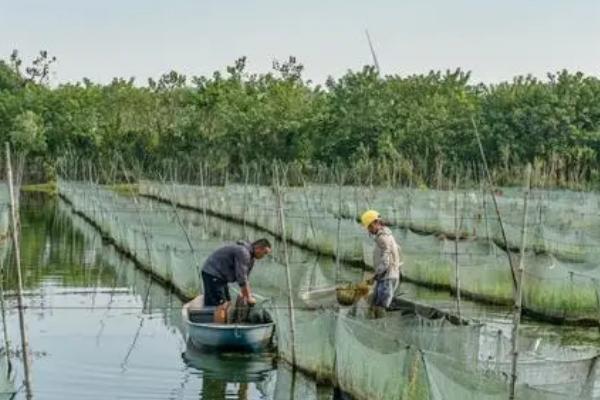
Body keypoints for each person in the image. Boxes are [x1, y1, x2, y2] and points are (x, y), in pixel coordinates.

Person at [201, 238, 272, 308]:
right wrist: (249, 297)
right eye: (265, 253)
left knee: (227, 302)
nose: (264, 256)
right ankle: (211, 319)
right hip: (212, 273)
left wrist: (245, 294)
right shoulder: (243, 252)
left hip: (220, 277)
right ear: (258, 248)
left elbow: (246, 279)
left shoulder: (251, 258)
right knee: (220, 305)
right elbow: (241, 278)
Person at [360, 210, 402, 318]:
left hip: (387, 278)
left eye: (369, 227)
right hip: (385, 277)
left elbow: (386, 261)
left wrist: (375, 275)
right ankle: (375, 326)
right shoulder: (387, 235)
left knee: (380, 307)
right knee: (375, 303)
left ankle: (380, 329)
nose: (369, 230)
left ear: (375, 223)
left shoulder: (382, 237)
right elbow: (397, 250)